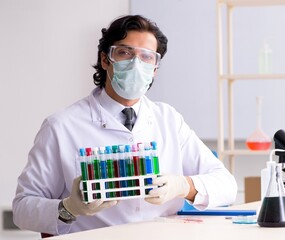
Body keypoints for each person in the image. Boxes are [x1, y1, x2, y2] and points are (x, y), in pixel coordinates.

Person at [12, 15, 237, 236]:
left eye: (146, 57)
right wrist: (69, 208)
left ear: (155, 68)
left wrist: (184, 186)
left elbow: (227, 186)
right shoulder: (60, 127)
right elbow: (22, 209)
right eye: (124, 52)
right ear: (105, 59)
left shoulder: (168, 119)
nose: (136, 64)